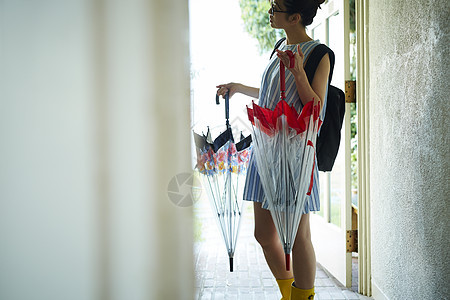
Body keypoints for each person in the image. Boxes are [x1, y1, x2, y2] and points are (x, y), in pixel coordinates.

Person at [216, 0, 329, 299]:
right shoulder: (279, 44)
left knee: (298, 236)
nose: (269, 10)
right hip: (265, 151)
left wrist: (299, 74)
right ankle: (288, 293)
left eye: (275, 6)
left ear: (294, 17)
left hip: (293, 155)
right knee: (264, 235)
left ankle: (302, 297)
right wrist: (238, 86)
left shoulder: (319, 54)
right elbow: (271, 94)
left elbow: (316, 108)